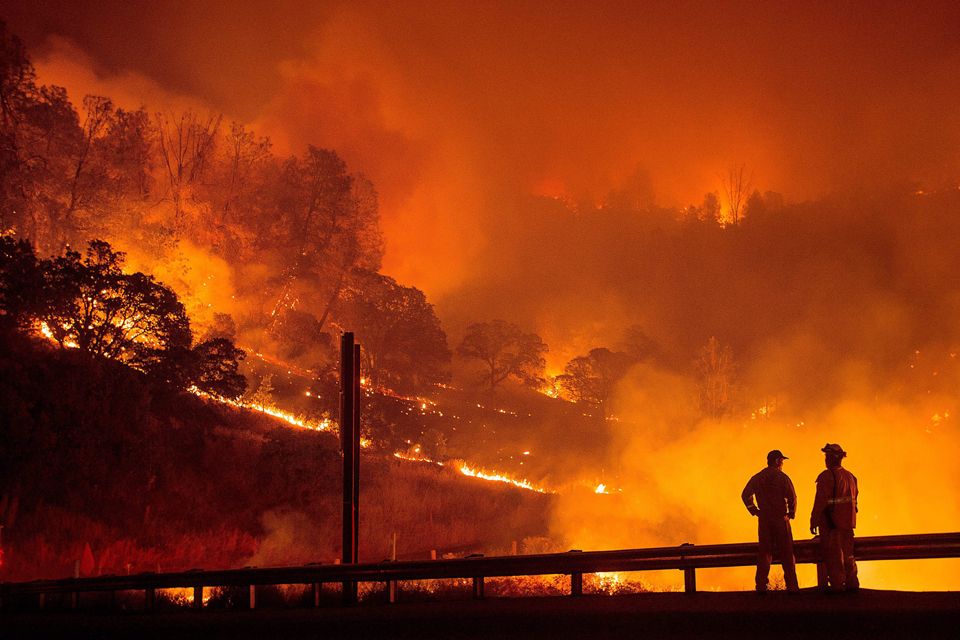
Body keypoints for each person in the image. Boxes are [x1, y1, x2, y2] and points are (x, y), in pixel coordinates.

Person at [741, 449, 800, 592]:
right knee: (787, 553)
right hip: (780, 519)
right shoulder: (782, 478)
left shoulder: (758, 477)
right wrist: (790, 514)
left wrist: (755, 511)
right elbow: (792, 497)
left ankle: (761, 586)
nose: (782, 464)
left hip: (765, 520)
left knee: (765, 553)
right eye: (781, 461)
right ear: (776, 461)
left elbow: (745, 494)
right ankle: (792, 586)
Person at [810, 443, 859, 592]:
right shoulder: (850, 476)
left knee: (834, 557)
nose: (825, 459)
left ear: (831, 458)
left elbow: (820, 500)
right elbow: (855, 500)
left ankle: (838, 589)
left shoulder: (826, 476)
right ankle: (852, 584)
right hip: (848, 523)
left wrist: (814, 519)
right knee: (849, 555)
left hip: (832, 524)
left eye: (827, 456)